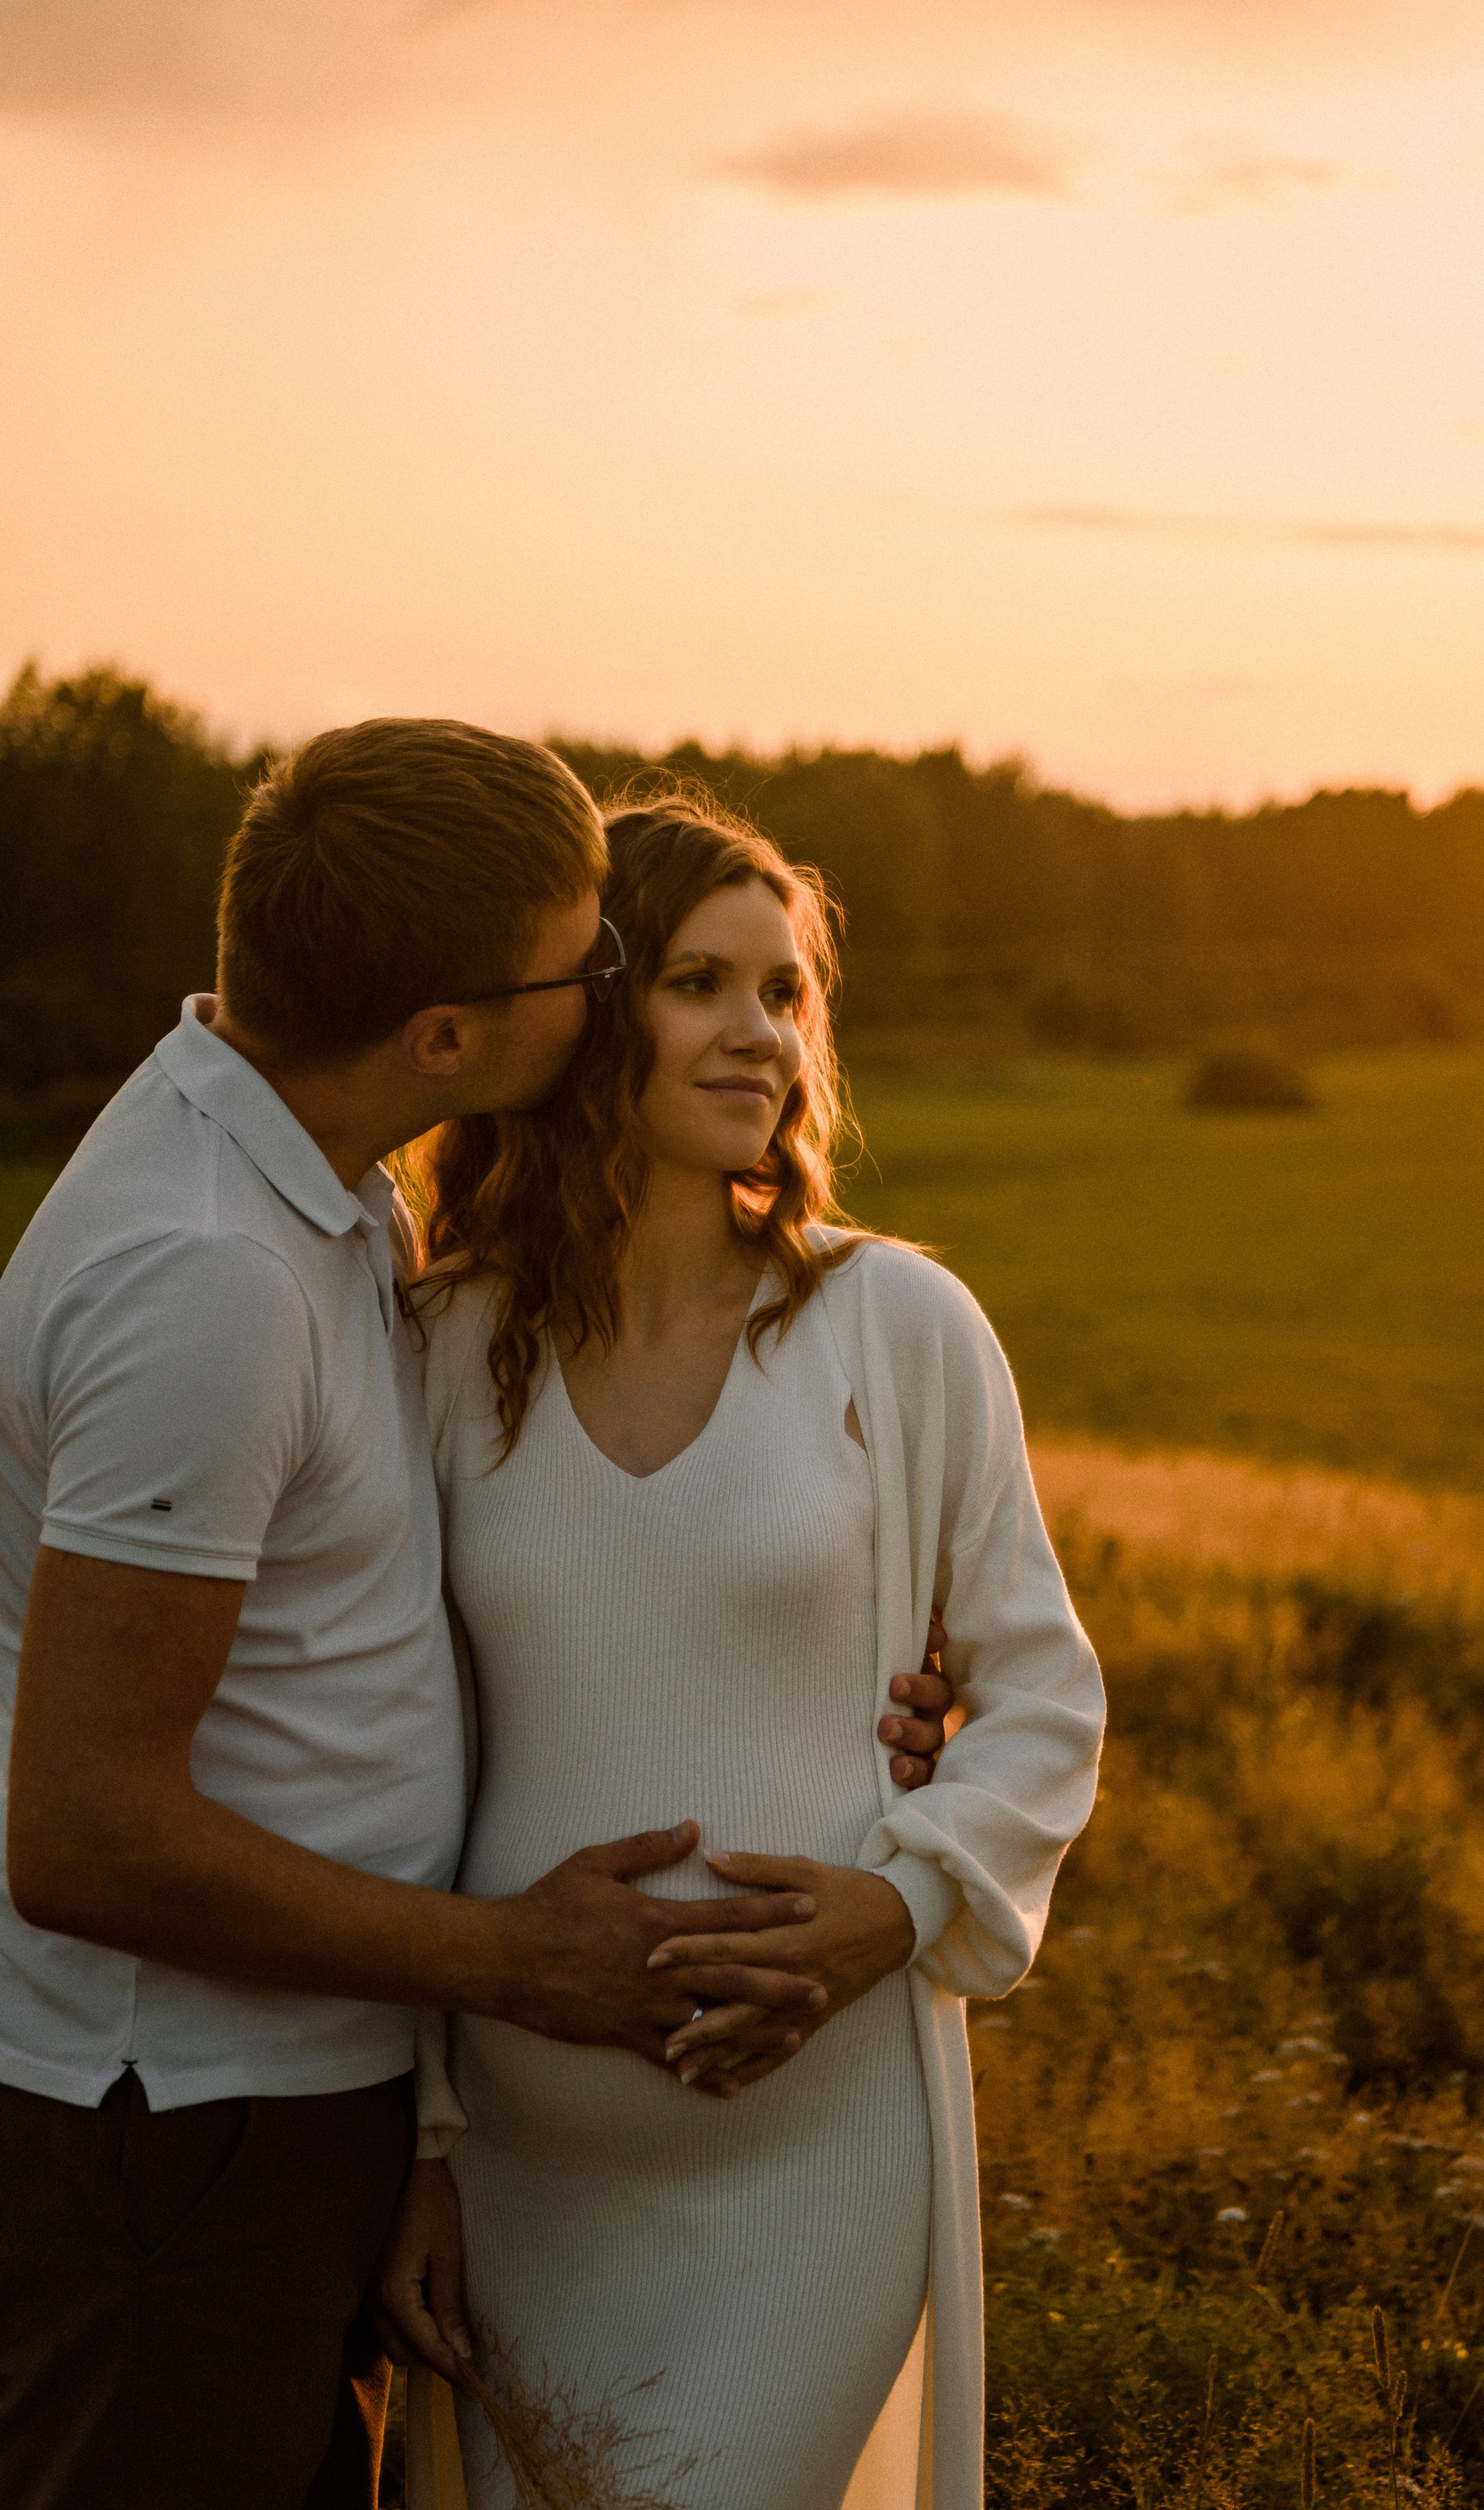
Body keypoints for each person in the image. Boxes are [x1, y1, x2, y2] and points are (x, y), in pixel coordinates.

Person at [0, 723, 953, 2510]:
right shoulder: (206, 1272)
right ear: (444, 1036)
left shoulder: (331, 1199)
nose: (612, 994)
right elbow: (79, 1835)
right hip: (175, 2126)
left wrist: (874, 1695)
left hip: (308, 2098)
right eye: (593, 965)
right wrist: (512, 1966)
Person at [376, 789, 1106, 2510]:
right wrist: (417, 2141)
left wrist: (894, 1907)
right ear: (588, 1001)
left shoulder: (894, 1324)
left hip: (817, 2160)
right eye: (702, 981)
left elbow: (1040, 1696)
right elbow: (395, 1761)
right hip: (517, 2166)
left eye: (784, 992)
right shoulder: (438, 1342)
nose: (758, 1032)